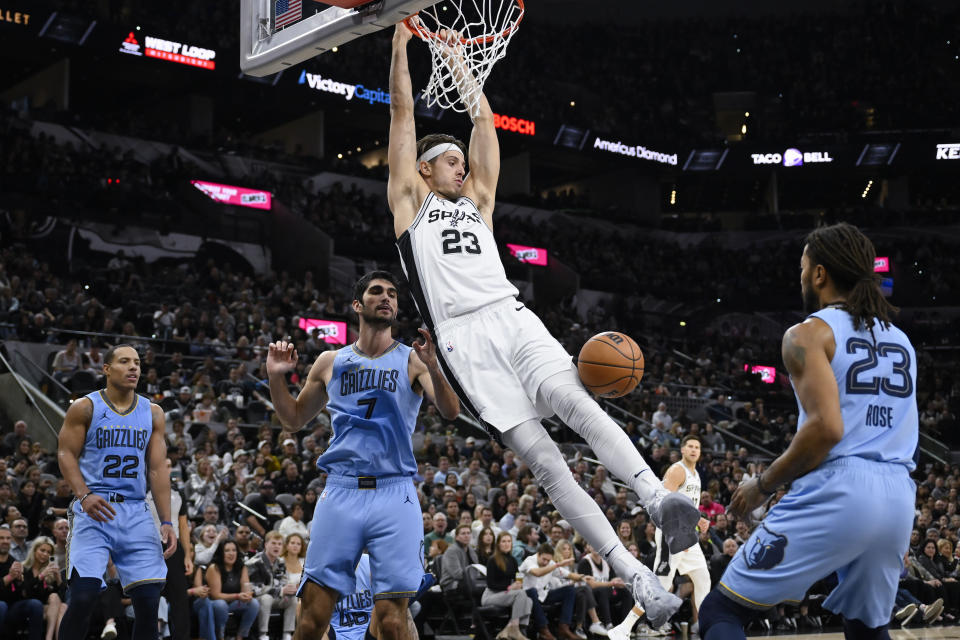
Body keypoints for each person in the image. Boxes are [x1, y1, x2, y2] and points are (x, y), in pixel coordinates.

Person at [387, 21, 698, 625]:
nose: (461, 169)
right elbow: (402, 113)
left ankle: (658, 497)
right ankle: (634, 576)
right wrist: (401, 47)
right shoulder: (409, 202)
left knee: (575, 402)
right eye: (449, 162)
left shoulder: (478, 205)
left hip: (512, 315)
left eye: (460, 163)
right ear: (424, 171)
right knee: (547, 462)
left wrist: (456, 63)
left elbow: (484, 126)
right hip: (463, 341)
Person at [699, 223, 919, 640]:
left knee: (719, 612)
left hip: (842, 488)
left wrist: (762, 485)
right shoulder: (902, 340)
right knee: (866, 629)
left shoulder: (806, 334)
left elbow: (827, 429)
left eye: (803, 267)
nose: (800, 276)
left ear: (819, 274)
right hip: (897, 497)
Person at [267, 271, 460, 640]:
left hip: (394, 491)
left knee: (391, 620)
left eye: (392, 293)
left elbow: (450, 411)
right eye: (376, 292)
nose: (386, 297)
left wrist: (434, 365)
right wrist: (277, 377)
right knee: (311, 619)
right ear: (358, 305)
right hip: (342, 491)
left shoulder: (412, 359)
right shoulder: (329, 361)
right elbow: (292, 419)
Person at [57, 344, 177, 640]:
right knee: (83, 597)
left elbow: (158, 470)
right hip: (93, 508)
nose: (134, 367)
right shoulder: (85, 407)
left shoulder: (153, 412)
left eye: (136, 362)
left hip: (135, 509)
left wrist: (166, 520)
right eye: (124, 362)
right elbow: (65, 454)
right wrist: (84, 494)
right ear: (106, 369)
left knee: (149, 601)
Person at [631, 435, 712, 637]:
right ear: (682, 450)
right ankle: (640, 625)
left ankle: (705, 625)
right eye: (690, 446)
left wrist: (698, 519)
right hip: (672, 532)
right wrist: (680, 531)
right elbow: (666, 504)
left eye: (697, 447)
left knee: (703, 579)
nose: (694, 450)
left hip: (687, 534)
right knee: (662, 584)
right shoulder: (677, 470)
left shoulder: (696, 474)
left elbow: (688, 506)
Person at [207, 540, 259, 640]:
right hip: (216, 603)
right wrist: (237, 596)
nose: (231, 553)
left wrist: (247, 595)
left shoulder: (241, 566)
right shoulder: (214, 567)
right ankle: (220, 636)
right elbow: (215, 595)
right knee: (220, 604)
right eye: (227, 551)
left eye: (234, 550)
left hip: (234, 603)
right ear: (221, 553)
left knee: (254, 603)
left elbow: (246, 587)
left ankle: (240, 636)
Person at [21, 537, 62, 640]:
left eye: (48, 552)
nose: (45, 554)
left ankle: (50, 637)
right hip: (27, 606)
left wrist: (58, 579)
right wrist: (41, 576)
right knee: (61, 607)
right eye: (42, 550)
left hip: (47, 607)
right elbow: (26, 592)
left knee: (62, 604)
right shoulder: (24, 568)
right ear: (34, 550)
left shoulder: (50, 572)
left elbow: (60, 597)